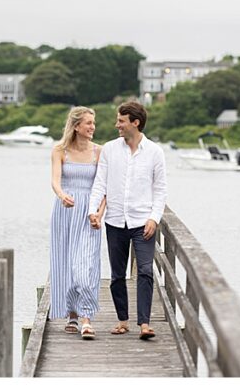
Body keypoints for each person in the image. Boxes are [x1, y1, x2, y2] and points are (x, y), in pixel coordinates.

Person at [88, 101, 167, 340]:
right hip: (114, 221)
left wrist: (154, 218)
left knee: (145, 271)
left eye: (121, 121)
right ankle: (123, 321)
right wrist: (93, 210)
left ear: (135, 122)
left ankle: (144, 323)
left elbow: (160, 189)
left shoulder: (155, 152)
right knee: (117, 274)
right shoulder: (110, 150)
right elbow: (100, 183)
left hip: (143, 221)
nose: (117, 125)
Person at [49, 106, 106, 340]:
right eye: (88, 123)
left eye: (93, 123)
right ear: (76, 126)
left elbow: (105, 187)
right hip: (66, 210)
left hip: (89, 212)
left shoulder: (100, 152)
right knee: (66, 264)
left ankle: (86, 317)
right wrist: (62, 195)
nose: (93, 127)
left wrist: (99, 214)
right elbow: (54, 181)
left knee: (85, 266)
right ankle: (72, 313)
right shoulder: (59, 150)